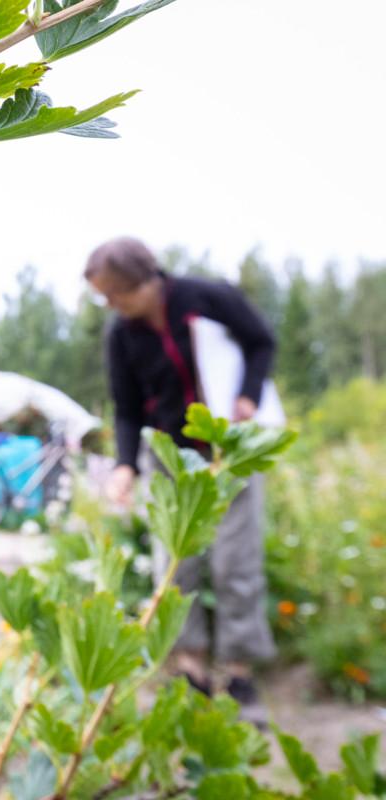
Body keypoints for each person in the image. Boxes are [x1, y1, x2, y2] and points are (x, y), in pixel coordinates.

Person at [84, 236, 276, 723]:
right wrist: (125, 464)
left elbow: (262, 341)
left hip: (229, 450)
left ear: (145, 282)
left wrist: (249, 396)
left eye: (114, 294)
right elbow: (127, 409)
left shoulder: (205, 299)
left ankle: (238, 671)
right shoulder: (120, 335)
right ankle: (189, 669)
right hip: (170, 455)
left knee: (237, 561)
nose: (110, 305)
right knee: (175, 566)